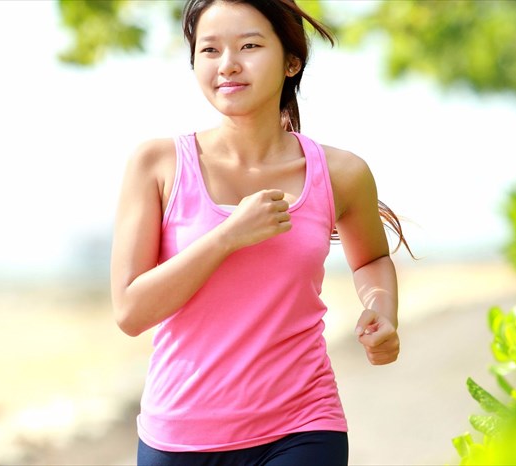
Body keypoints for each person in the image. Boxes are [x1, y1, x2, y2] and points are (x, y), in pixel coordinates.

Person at [110, 0, 410, 464]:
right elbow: (130, 311)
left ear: (292, 61)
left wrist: (382, 310)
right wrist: (227, 236)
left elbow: (370, 260)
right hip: (180, 434)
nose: (228, 64)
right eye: (209, 50)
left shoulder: (341, 172)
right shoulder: (156, 165)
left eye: (249, 45)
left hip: (303, 426)